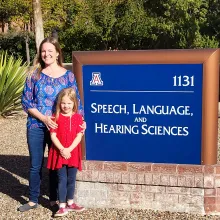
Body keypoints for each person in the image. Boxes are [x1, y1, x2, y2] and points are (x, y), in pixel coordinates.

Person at [19, 37, 85, 212]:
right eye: (43, 51)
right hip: (36, 125)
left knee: (57, 163)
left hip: (61, 128)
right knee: (35, 164)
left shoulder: (68, 76)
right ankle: (33, 199)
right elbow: (26, 101)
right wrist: (44, 119)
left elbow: (76, 100)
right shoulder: (34, 75)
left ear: (57, 53)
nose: (46, 54)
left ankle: (55, 200)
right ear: (40, 54)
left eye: (50, 51)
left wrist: (81, 122)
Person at [47, 88, 85, 217]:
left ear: (74, 103)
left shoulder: (78, 118)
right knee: (61, 179)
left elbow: (79, 136)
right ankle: (62, 206)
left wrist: (69, 149)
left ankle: (70, 202)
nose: (66, 106)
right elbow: (53, 136)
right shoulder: (55, 118)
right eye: (63, 103)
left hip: (73, 153)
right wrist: (62, 149)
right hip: (59, 153)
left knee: (71, 179)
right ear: (59, 103)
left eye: (69, 103)